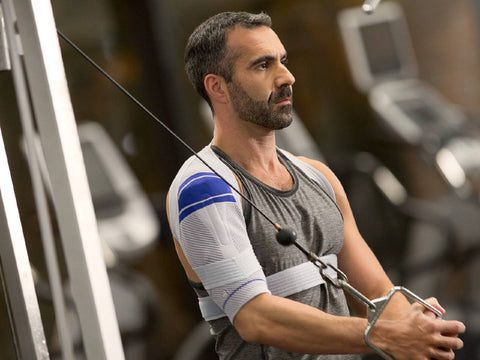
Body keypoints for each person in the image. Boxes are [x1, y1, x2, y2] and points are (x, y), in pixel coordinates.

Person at [167, 11, 465, 360]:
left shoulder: (317, 177)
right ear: (217, 87)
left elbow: (379, 295)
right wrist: (385, 334)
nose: (287, 76)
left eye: (283, 61)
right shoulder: (204, 188)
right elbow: (256, 318)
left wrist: (419, 331)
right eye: (263, 65)